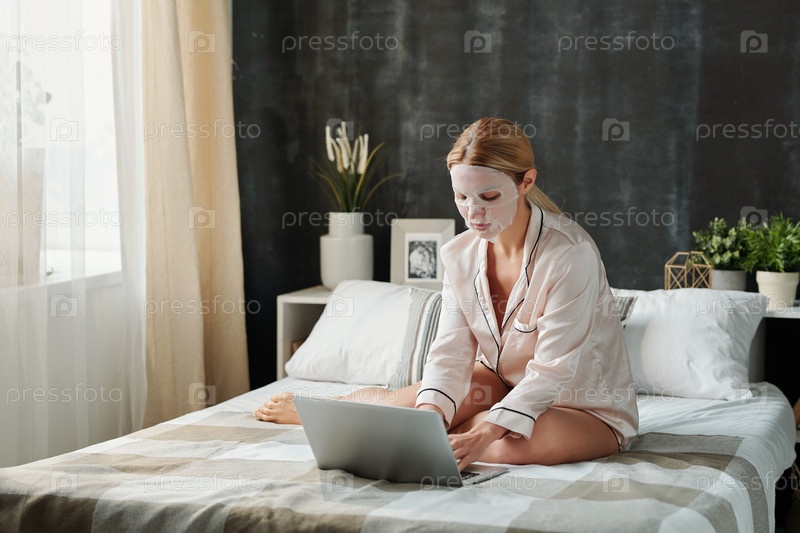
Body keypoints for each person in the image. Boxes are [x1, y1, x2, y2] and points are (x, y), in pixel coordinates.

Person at [256, 117, 639, 470]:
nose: (473, 214)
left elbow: (552, 370)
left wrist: (484, 431)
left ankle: (420, 428)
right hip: (500, 380)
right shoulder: (459, 254)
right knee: (413, 407)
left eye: (489, 197)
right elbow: (451, 351)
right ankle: (334, 410)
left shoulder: (570, 255)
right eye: (461, 197)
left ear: (526, 182)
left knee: (508, 447)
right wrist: (429, 417)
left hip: (582, 406)